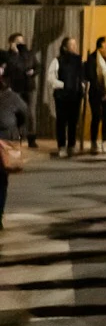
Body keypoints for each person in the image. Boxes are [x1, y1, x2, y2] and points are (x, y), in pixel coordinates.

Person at [45, 37, 86, 159]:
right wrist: (64, 85)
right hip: (62, 96)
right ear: (64, 47)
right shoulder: (57, 60)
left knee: (73, 122)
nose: (74, 47)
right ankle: (61, 146)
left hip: (75, 95)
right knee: (62, 122)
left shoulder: (79, 61)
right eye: (71, 44)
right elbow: (51, 78)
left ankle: (71, 146)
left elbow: (82, 77)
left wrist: (81, 86)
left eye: (75, 44)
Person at [0, 71, 30, 227]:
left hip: (4, 140)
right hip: (6, 141)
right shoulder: (13, 97)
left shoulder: (12, 98)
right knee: (2, 181)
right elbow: (24, 112)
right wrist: (18, 130)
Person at [4, 33, 38, 149]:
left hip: (29, 87)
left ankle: (32, 138)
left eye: (22, 41)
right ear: (12, 43)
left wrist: (33, 72)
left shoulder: (29, 54)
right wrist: (15, 53)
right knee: (16, 114)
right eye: (18, 41)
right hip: (15, 88)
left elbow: (37, 66)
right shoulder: (8, 55)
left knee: (31, 113)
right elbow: (10, 68)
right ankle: (17, 137)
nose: (21, 43)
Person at [87, 36, 106, 156]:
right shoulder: (92, 58)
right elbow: (92, 77)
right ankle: (94, 143)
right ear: (102, 44)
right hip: (96, 93)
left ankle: (104, 141)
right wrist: (103, 92)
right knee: (96, 117)